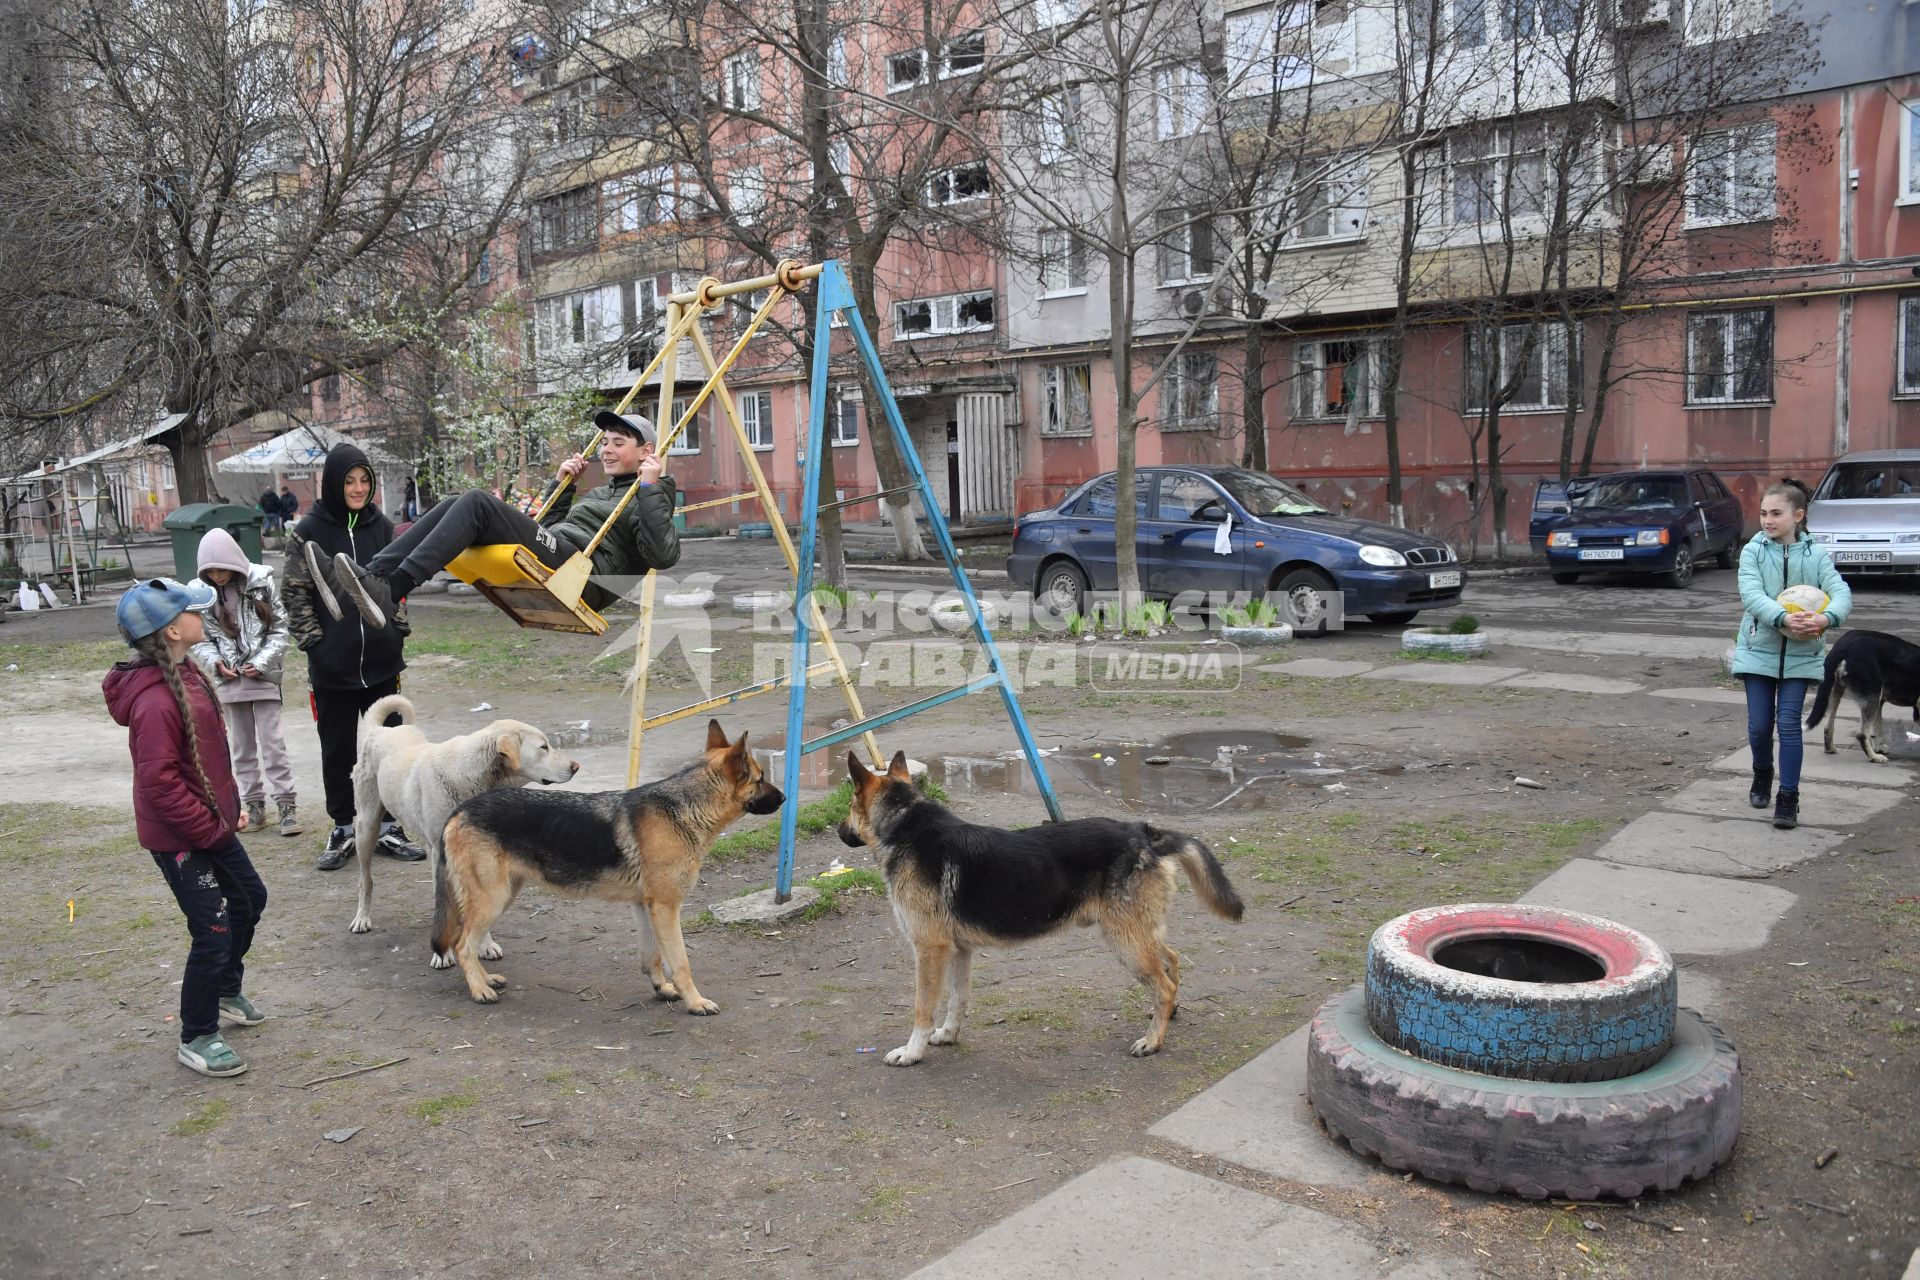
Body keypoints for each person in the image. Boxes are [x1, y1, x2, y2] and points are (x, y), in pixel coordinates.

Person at [103, 578, 270, 1078]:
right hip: (181, 837)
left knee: (249, 899)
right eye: (196, 612)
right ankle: (197, 1034)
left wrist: (230, 806)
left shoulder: (188, 674)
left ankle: (222, 988)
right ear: (173, 630)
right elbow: (160, 783)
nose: (206, 615)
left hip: (209, 826)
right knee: (214, 926)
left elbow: (209, 761)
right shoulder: (155, 701)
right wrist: (210, 828)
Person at [303, 410, 679, 630]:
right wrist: (563, 486)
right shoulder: (602, 493)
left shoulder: (651, 494)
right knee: (457, 502)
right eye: (606, 442)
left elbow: (661, 555)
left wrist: (650, 487)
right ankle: (370, 578)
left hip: (582, 576)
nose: (607, 450)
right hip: (564, 554)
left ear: (646, 451)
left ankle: (393, 586)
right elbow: (548, 528)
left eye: (618, 442)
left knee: (478, 502)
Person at [281, 443, 427, 870]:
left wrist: (397, 630)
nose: (359, 488)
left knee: (392, 747)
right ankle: (344, 827)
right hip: (333, 667)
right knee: (339, 750)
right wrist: (316, 645)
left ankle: (389, 827)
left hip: (382, 663)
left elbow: (398, 583)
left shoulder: (381, 526)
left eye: (365, 480)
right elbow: (295, 593)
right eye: (350, 481)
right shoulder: (308, 530)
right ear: (333, 483)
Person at [1732, 478, 1852, 831]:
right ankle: (1762, 771)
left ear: (1797, 515)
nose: (1768, 520)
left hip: (1802, 655)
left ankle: (1788, 798)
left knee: (1788, 726)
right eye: (1764, 513)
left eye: (1776, 513)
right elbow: (1751, 594)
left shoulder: (1816, 555)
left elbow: (1841, 592)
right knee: (1758, 728)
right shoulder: (1753, 551)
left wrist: (1825, 618)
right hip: (1758, 650)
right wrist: (1783, 617)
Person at [190, 529, 302, 838]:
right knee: (241, 749)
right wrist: (216, 663)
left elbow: (280, 630)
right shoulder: (200, 594)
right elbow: (201, 639)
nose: (217, 575)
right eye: (210, 571)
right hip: (229, 683)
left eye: (222, 568)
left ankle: (286, 806)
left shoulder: (261, 582)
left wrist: (262, 662)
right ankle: (254, 806)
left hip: (263, 679)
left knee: (273, 745)